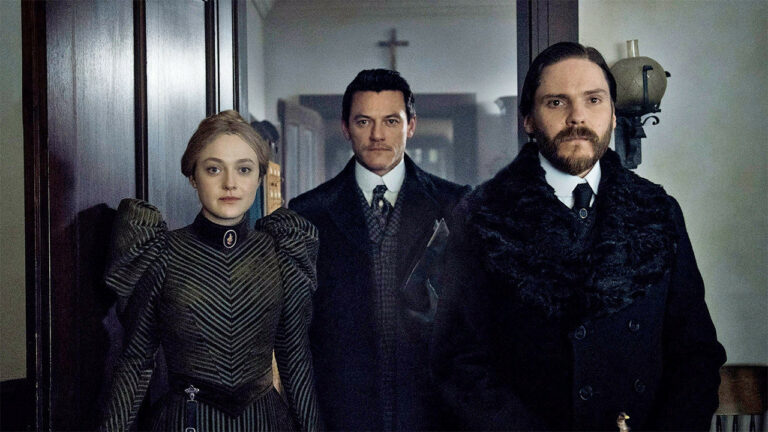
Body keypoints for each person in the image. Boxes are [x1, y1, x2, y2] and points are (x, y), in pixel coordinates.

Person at [431, 42, 726, 431]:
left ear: (614, 115)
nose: (577, 117)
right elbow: (460, 363)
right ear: (528, 119)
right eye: (556, 102)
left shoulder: (659, 211)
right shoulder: (480, 217)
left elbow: (695, 354)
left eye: (593, 100)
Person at [99, 110, 321, 431]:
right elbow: (136, 360)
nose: (230, 183)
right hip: (185, 421)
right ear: (193, 176)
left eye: (244, 169)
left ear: (259, 177)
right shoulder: (162, 253)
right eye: (214, 169)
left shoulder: (280, 253)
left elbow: (295, 359)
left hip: (265, 422)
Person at [289, 69, 470, 431]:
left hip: (432, 415)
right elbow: (298, 335)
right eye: (363, 121)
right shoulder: (308, 213)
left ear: (411, 125)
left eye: (391, 120)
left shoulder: (456, 204)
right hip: (341, 413)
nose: (377, 135)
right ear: (346, 128)